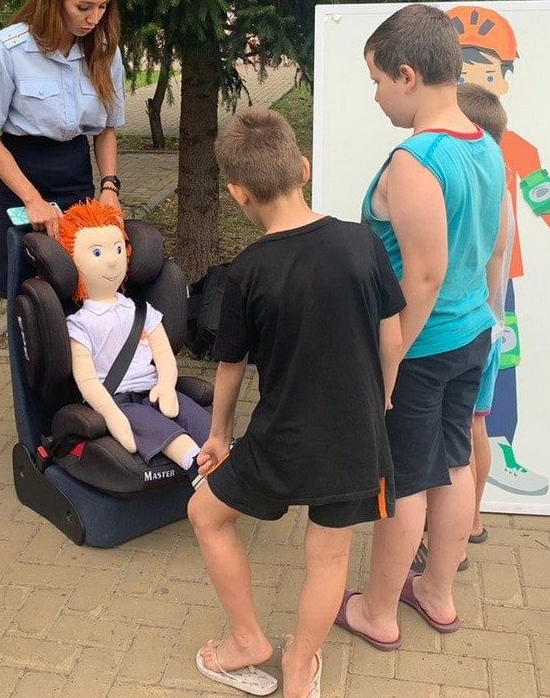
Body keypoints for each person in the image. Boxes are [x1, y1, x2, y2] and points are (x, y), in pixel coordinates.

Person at [188, 108, 404, 698]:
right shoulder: (362, 243)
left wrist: (219, 435)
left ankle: (246, 641)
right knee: (329, 556)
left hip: (282, 439)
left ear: (237, 194)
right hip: (357, 435)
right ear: (302, 169)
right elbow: (392, 331)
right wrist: (382, 395)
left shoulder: (247, 272)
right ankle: (301, 664)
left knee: (207, 515)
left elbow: (232, 367)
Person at [335, 4, 505, 651]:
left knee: (403, 483)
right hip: (469, 337)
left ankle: (377, 610)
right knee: (453, 464)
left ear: (407, 75)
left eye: (378, 80)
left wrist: (388, 366)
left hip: (420, 347)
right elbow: (491, 246)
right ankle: (435, 591)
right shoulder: (484, 143)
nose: (376, 95)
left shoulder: (417, 160)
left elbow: (423, 278)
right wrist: (482, 316)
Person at [449, 4, 550, 497]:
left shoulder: (515, 146)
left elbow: (542, 191)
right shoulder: (428, 148)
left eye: (489, 72)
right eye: (465, 71)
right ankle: (454, 457)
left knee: (500, 358)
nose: (476, 81)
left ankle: (499, 447)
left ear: (505, 79)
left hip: (498, 277)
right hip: (446, 279)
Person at [0, 0, 126, 298]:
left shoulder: (104, 51)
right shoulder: (7, 49)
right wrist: (31, 199)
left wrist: (109, 187)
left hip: (75, 178)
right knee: (28, 299)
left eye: (102, 7)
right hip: (20, 179)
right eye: (84, 7)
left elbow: (105, 130)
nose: (94, 18)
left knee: (80, 290)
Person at [410, 83, 514, 570]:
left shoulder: (473, 179)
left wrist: (486, 311)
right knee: (473, 428)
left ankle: (449, 526)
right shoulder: (495, 176)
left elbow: (485, 256)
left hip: (467, 325)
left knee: (454, 440)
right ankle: (470, 519)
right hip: (484, 324)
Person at [58, 200, 210, 479]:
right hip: (119, 399)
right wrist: (111, 414)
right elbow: (87, 380)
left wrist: (166, 384)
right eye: (97, 252)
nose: (113, 259)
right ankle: (197, 467)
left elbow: (163, 353)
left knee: (198, 419)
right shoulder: (79, 324)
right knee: (160, 429)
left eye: (118, 249)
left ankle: (227, 459)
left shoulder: (140, 310)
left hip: (155, 390)